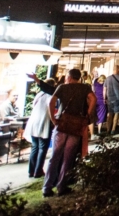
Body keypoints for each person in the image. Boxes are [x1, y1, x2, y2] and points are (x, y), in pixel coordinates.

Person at [43, 68, 95, 198]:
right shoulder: (85, 88)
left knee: (55, 156)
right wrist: (87, 115)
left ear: (69, 77)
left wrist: (53, 118)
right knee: (68, 157)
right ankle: (61, 186)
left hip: (62, 123)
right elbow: (93, 99)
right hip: (76, 124)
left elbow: (51, 101)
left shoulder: (62, 87)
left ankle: (47, 187)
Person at [25, 78, 55, 179]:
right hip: (43, 122)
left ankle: (31, 170)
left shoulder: (39, 94)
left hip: (34, 122)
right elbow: (51, 110)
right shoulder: (50, 96)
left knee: (35, 146)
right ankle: (38, 171)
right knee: (42, 148)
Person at [103, 67, 119, 134]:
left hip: (109, 98)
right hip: (118, 97)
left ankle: (108, 129)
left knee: (110, 114)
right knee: (117, 113)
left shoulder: (107, 78)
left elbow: (104, 89)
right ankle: (113, 129)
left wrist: (104, 98)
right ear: (118, 70)